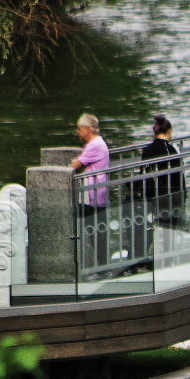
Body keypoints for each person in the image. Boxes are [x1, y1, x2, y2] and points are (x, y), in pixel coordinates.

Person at [133, 115, 184, 263]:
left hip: (151, 197)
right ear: (169, 131)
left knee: (152, 226)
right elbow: (178, 175)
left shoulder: (147, 150)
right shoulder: (172, 150)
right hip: (169, 196)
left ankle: (144, 258)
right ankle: (169, 259)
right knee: (169, 229)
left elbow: (144, 173)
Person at [69, 113, 110, 271]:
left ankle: (101, 267)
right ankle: (101, 265)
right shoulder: (97, 143)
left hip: (93, 196)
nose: (78, 132)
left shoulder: (95, 145)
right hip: (97, 194)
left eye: (79, 129)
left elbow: (74, 165)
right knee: (96, 231)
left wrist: (74, 162)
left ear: (88, 129)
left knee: (95, 232)